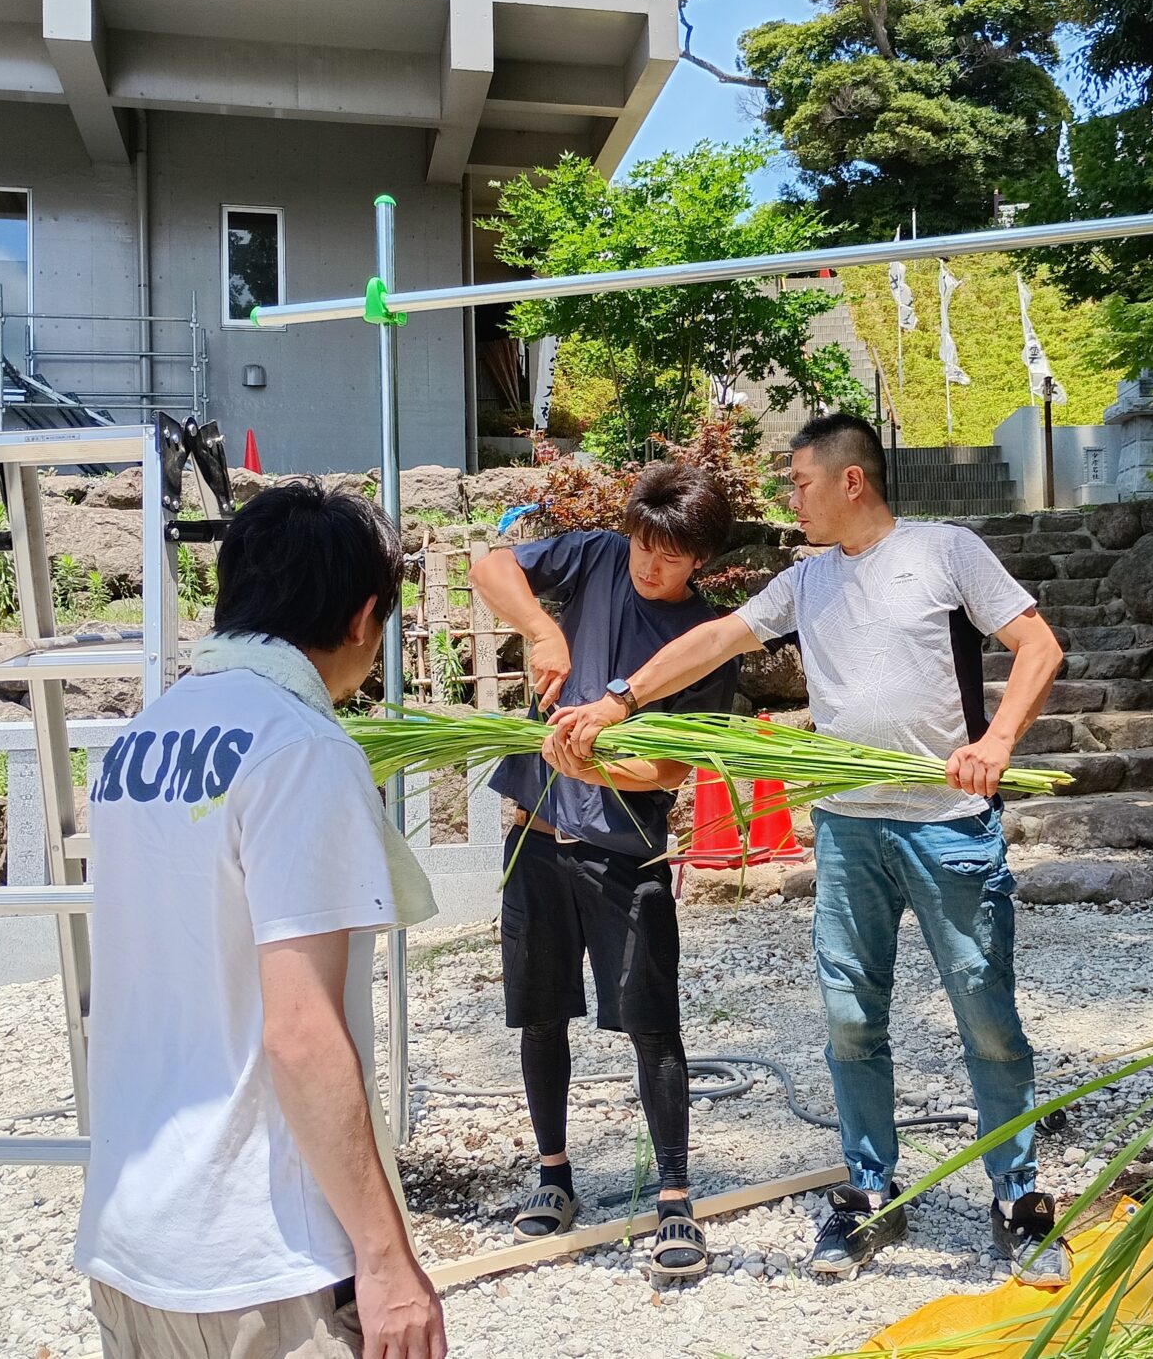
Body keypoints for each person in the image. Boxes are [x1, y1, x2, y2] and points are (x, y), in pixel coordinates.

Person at [551, 412, 1072, 1286]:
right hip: (847, 826)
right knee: (850, 1019)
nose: (789, 498)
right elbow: (716, 639)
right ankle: (868, 1192)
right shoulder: (807, 580)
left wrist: (998, 742)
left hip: (947, 823)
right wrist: (618, 700)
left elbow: (1038, 645)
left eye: (798, 482)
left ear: (850, 480)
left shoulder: (945, 552)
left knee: (984, 1014)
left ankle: (1016, 1198)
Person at [75, 479, 447, 1359]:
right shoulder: (301, 749)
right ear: (363, 618)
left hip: (133, 1237)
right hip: (260, 1260)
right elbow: (299, 1031)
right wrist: (386, 1260)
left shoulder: (141, 739)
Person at [468, 462, 741, 1277]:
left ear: (700, 560)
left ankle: (674, 1197)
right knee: (540, 1013)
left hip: (626, 851)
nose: (649, 565)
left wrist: (598, 769)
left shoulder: (706, 640)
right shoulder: (594, 556)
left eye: (670, 556)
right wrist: (541, 630)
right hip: (537, 833)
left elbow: (674, 770)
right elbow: (491, 566)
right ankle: (553, 1174)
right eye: (643, 545)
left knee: (652, 1024)